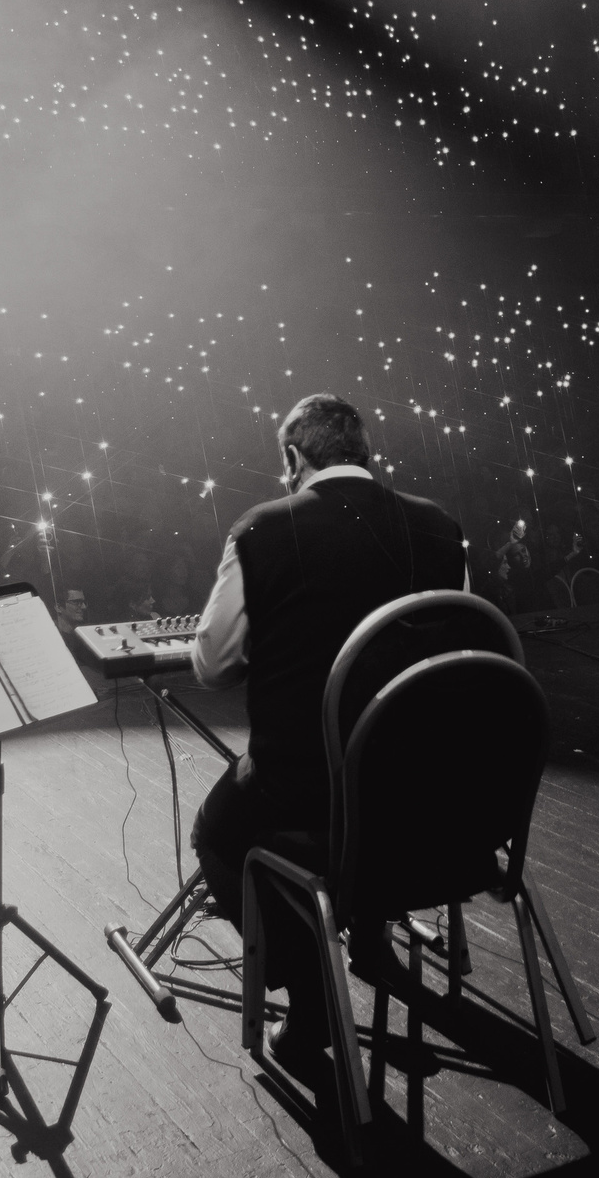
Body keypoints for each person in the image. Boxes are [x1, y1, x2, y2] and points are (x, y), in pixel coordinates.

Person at [187, 393, 469, 1082]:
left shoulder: (261, 528)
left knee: (215, 834)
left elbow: (213, 667)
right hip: (432, 792)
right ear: (364, 453)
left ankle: (313, 998)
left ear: (293, 457)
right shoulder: (441, 525)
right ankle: (370, 939)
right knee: (381, 778)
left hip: (309, 790)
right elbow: (463, 645)